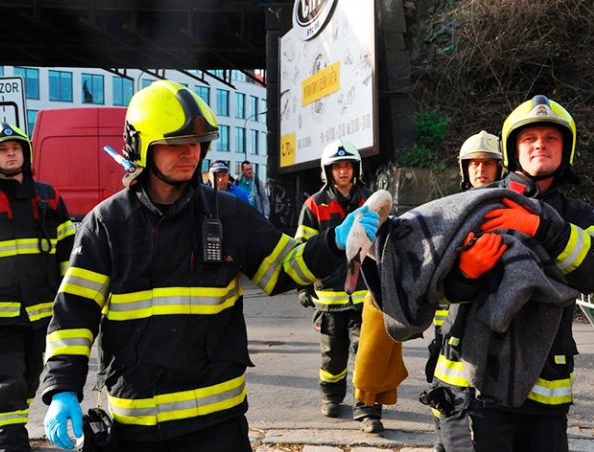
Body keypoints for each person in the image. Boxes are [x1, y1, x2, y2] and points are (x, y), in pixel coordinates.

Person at [39, 80, 380, 452]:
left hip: (218, 423)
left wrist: (333, 242)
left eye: (196, 143)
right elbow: (74, 314)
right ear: (140, 146)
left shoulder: (229, 214)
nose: (189, 153)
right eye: (175, 143)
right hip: (137, 425)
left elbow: (287, 267)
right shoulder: (107, 224)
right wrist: (62, 388)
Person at [433, 95, 594, 452]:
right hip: (472, 385)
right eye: (529, 138)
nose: (540, 145)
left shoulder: (582, 217)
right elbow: (428, 287)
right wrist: (464, 273)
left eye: (551, 138)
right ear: (512, 149)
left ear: (567, 149)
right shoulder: (476, 204)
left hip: (545, 391)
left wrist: (543, 227)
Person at [0, 122, 75, 451]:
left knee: (30, 379)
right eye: (3, 150)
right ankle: (9, 444)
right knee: (8, 381)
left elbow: (68, 250)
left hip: (43, 315)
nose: (10, 153)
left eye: (16, 148)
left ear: (26, 154)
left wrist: (72, 300)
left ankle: (15, 424)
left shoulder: (48, 196)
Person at [294, 139, 384, 433]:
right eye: (337, 167)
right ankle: (331, 397)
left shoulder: (370, 202)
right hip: (329, 298)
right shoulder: (313, 206)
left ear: (355, 169)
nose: (343, 172)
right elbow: (302, 249)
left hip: (366, 297)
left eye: (347, 166)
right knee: (333, 354)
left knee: (367, 353)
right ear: (327, 171)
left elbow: (386, 246)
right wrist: (302, 286)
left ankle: (368, 408)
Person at [425, 129, 503, 452]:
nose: (480, 170)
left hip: (488, 333)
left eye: (488, 163)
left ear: (501, 168)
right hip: (449, 332)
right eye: (473, 163)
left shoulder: (509, 208)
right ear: (464, 169)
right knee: (444, 409)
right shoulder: (450, 211)